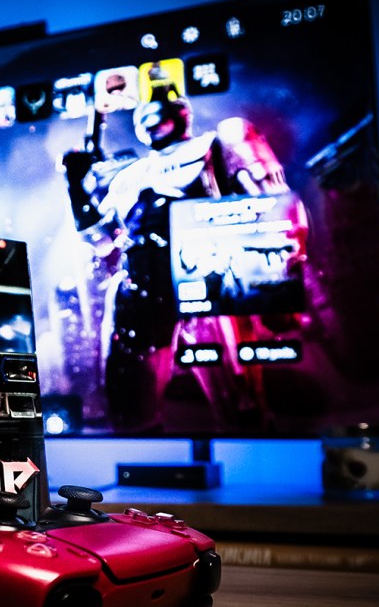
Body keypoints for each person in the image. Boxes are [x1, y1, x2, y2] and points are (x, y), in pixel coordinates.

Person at [61, 87, 306, 432]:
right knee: (132, 416)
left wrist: (278, 286)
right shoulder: (130, 176)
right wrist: (76, 188)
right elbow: (101, 242)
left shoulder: (217, 145)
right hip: (143, 292)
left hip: (207, 282)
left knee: (240, 408)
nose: (153, 107)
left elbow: (277, 208)